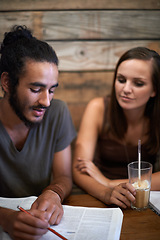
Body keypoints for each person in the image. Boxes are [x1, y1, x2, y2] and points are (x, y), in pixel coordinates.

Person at [0, 25, 76, 239]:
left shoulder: (58, 112)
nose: (46, 101)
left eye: (52, 90)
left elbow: (63, 176)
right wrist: (5, 218)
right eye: (36, 89)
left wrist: (54, 192)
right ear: (7, 82)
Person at [73, 47, 160, 209]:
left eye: (138, 83)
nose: (126, 89)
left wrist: (109, 183)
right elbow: (79, 169)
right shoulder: (98, 108)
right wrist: (106, 192)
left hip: (141, 202)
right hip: (100, 199)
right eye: (121, 80)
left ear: (154, 89)